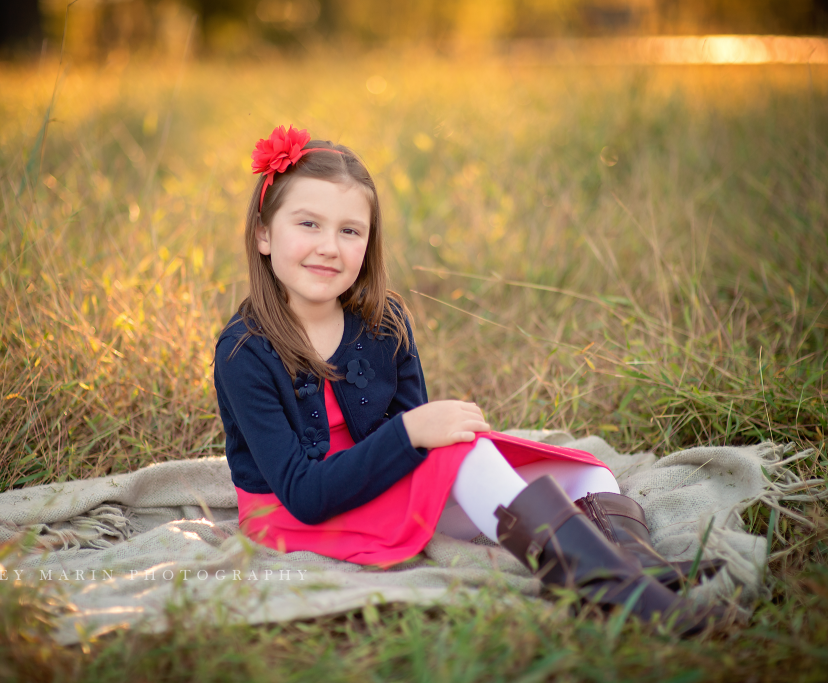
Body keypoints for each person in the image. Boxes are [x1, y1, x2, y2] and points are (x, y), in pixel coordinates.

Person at [213, 125, 720, 635]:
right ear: (263, 233)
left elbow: (423, 446)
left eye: (350, 231)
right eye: (308, 224)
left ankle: (641, 570)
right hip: (295, 517)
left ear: (369, 243)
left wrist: (424, 436)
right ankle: (622, 597)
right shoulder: (244, 352)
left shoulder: (381, 321)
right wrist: (414, 434)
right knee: (471, 459)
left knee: (584, 474)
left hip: (379, 490)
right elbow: (305, 491)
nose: (329, 246)